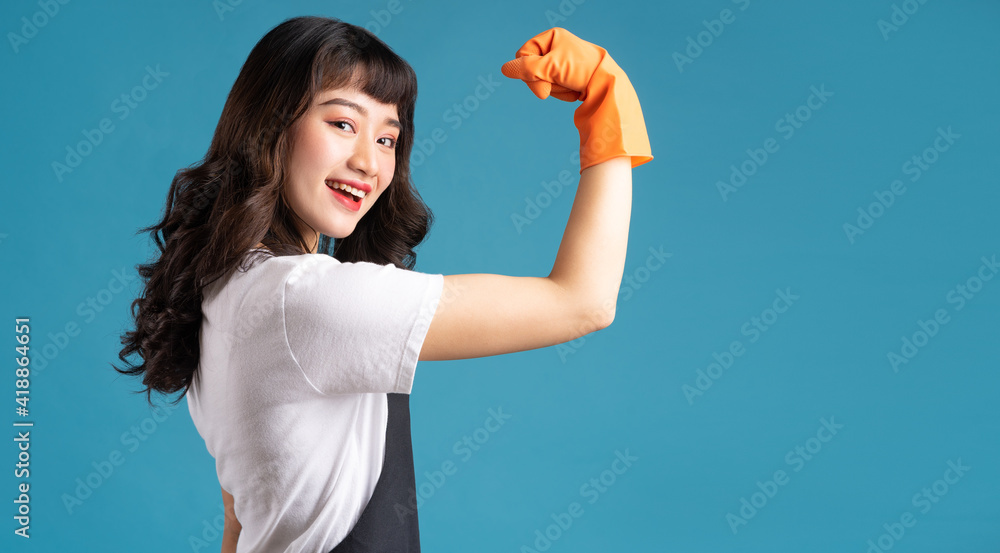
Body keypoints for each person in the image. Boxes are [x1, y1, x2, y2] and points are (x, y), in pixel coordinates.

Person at [114, 15, 651, 553]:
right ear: (271, 124)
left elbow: (239, 524)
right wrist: (610, 104)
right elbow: (583, 301)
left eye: (388, 137)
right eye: (343, 124)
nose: (369, 161)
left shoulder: (222, 294)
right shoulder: (305, 299)